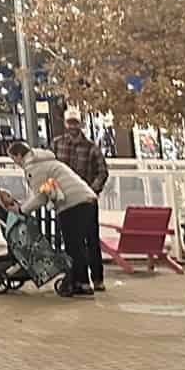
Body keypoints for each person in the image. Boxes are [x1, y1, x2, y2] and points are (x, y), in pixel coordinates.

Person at [5, 139, 100, 296]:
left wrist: (21, 210)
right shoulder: (47, 160)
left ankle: (80, 282)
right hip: (88, 197)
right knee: (88, 242)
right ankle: (92, 280)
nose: (15, 163)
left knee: (73, 245)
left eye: (13, 158)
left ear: (19, 155)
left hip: (72, 203)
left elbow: (41, 196)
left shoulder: (33, 168)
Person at [51, 112, 110, 291]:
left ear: (80, 124)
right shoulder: (57, 144)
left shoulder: (91, 147)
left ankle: (97, 278)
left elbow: (102, 171)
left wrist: (92, 191)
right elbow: (50, 169)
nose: (73, 126)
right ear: (66, 123)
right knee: (71, 241)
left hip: (87, 200)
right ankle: (77, 278)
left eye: (75, 122)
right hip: (65, 201)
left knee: (91, 239)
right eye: (70, 122)